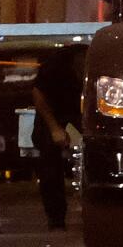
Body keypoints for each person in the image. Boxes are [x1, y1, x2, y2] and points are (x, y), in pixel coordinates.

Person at [30, 44, 85, 230]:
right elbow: (38, 94)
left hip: (82, 110)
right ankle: (56, 218)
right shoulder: (57, 65)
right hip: (54, 110)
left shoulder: (102, 66)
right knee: (48, 161)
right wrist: (55, 129)